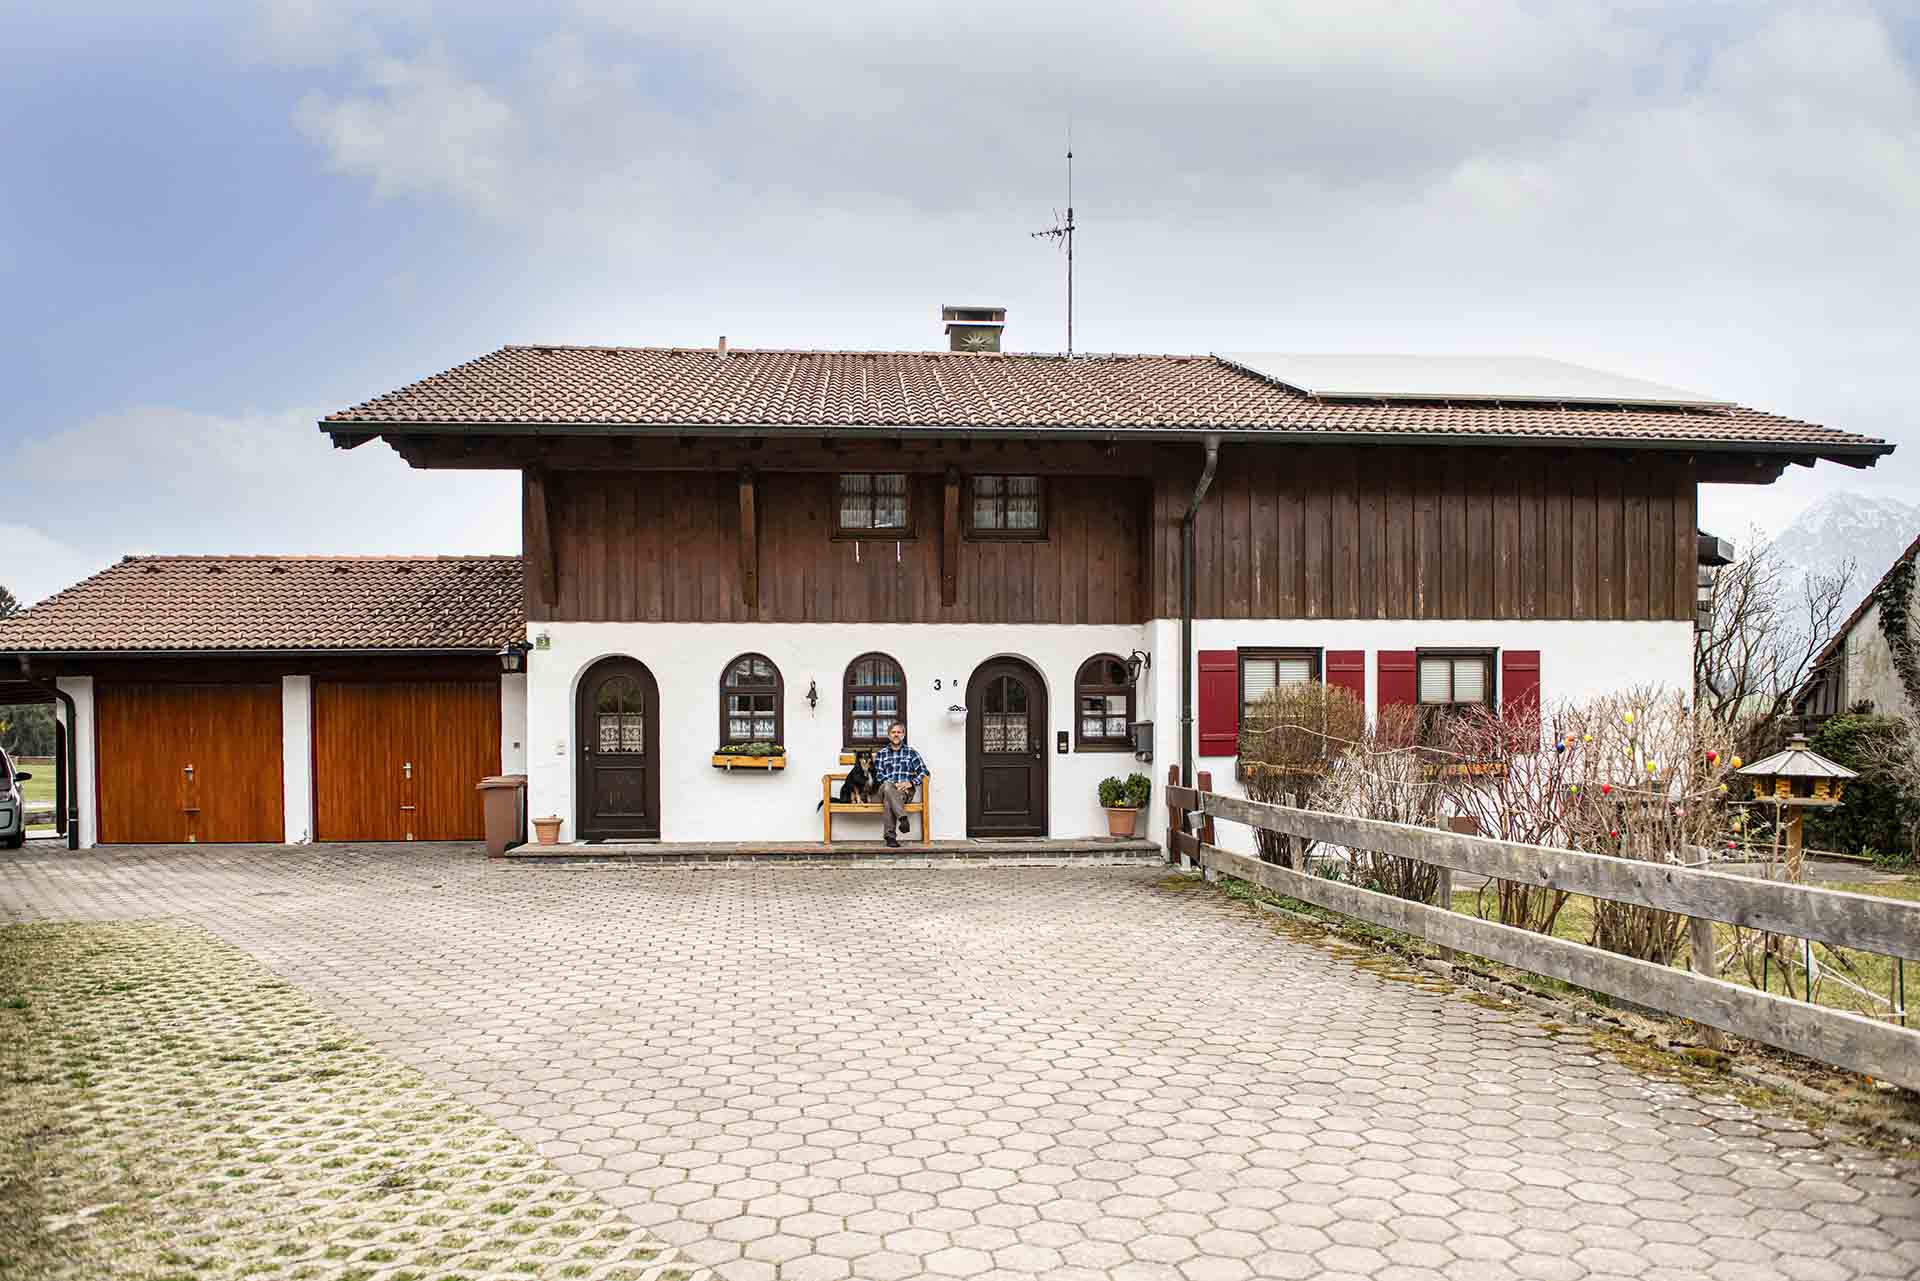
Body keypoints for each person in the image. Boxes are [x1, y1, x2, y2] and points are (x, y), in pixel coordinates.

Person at [871, 720, 928, 847]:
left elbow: (924, 772)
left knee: (888, 798)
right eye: (893, 732)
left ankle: (890, 837)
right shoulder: (881, 754)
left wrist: (912, 782)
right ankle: (903, 818)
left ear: (903, 735)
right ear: (888, 735)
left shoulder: (911, 753)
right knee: (887, 787)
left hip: (904, 791)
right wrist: (894, 784)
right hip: (886, 787)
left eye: (899, 732)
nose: (896, 734)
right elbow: (878, 775)